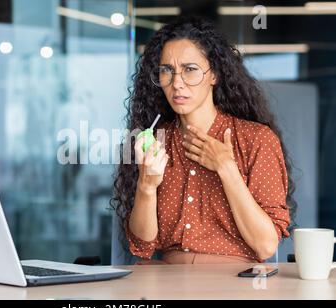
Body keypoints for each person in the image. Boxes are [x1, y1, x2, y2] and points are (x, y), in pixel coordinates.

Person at [110, 17, 296, 265]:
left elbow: (265, 246)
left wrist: (226, 167)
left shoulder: (256, 140)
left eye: (190, 69)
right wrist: (146, 185)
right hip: (166, 281)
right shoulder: (154, 142)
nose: (177, 83)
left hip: (235, 284)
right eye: (167, 70)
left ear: (214, 75)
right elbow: (142, 245)